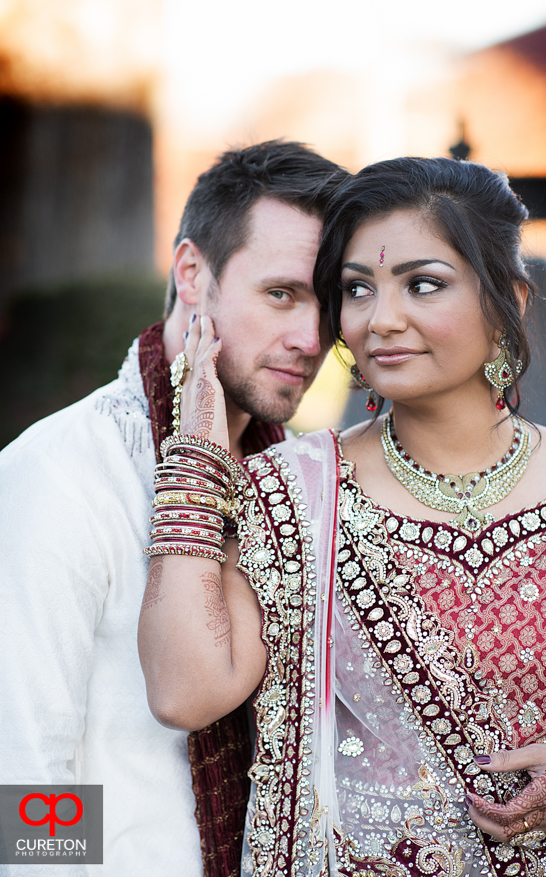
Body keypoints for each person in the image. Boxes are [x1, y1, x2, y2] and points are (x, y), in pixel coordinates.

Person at [139, 156, 546, 877]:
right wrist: (195, 452)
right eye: (356, 289)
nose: (381, 320)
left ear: (508, 297)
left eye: (423, 283)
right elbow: (186, 689)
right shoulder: (293, 491)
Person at [0, 140, 348, 877]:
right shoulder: (61, 472)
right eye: (282, 293)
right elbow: (23, 768)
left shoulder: (301, 482)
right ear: (193, 273)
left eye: (328, 299)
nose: (311, 338)